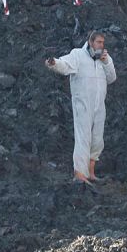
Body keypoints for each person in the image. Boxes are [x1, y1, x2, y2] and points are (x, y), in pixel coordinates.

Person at [46, 31, 117, 184]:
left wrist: (106, 62)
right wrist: (54, 63)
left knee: (97, 139)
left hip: (99, 104)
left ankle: (91, 172)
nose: (101, 45)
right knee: (83, 137)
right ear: (90, 42)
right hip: (83, 104)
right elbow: (64, 65)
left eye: (103, 43)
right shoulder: (78, 54)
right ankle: (80, 174)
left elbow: (112, 78)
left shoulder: (104, 58)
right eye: (98, 42)